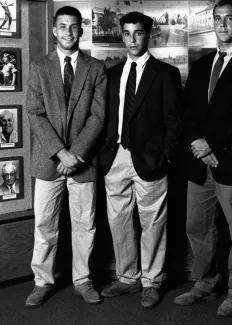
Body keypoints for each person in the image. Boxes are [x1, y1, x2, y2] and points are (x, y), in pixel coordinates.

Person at [174, 0, 232, 317]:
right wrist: (197, 143)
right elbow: (186, 114)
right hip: (198, 163)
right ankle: (205, 282)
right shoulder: (200, 66)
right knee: (196, 225)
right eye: (217, 18)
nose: (222, 23)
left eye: (229, 18)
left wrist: (211, 144)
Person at [25, 6, 107, 307]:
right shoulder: (38, 66)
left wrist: (76, 154)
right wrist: (61, 152)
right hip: (48, 160)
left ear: (81, 30)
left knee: (85, 223)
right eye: (62, 26)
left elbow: (98, 117)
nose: (68, 32)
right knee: (45, 224)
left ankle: (83, 281)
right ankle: (42, 281)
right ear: (54, 30)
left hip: (83, 161)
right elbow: (34, 113)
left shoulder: (95, 67)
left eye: (74, 27)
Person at [100, 11, 182, 308]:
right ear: (121, 35)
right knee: (119, 221)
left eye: (138, 33)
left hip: (150, 160)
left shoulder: (165, 74)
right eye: (126, 33)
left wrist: (165, 156)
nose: (132, 39)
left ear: (149, 35)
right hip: (116, 158)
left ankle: (152, 282)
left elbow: (175, 122)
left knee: (153, 223)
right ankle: (127, 277)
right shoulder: (111, 74)